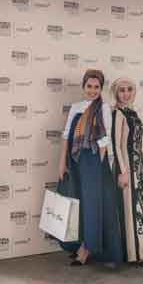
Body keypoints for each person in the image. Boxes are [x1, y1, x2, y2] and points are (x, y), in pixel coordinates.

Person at [58, 69, 123, 266]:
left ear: (100, 89)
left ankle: (87, 249)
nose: (92, 91)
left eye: (96, 87)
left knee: (93, 205)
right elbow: (66, 135)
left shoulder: (102, 108)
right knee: (78, 202)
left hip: (94, 161)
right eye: (89, 86)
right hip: (75, 160)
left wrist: (97, 166)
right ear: (83, 86)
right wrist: (62, 162)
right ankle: (79, 243)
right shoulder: (76, 107)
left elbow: (105, 138)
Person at [110, 78, 143, 267]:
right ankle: (131, 254)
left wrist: (141, 168)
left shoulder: (133, 113)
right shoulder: (117, 114)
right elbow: (116, 144)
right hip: (127, 166)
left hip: (139, 168)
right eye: (122, 90)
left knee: (140, 210)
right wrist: (123, 171)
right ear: (116, 93)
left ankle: (140, 252)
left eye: (129, 90)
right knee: (129, 210)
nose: (126, 93)